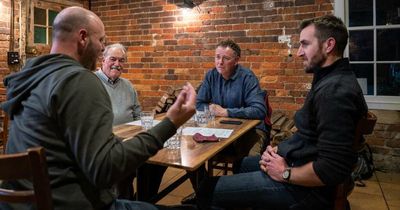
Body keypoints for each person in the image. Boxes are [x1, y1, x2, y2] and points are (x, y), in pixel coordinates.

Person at [0, 6, 196, 210]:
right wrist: (170, 123)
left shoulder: (33, 77)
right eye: (101, 41)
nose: (103, 48)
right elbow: (105, 169)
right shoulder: (78, 80)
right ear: (83, 37)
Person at [196, 15, 368, 210]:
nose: (298, 53)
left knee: (207, 188)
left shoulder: (334, 91)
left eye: (304, 44)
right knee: (239, 165)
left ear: (328, 45)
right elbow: (309, 136)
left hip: (307, 190)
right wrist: (281, 149)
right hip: (298, 162)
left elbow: (333, 169)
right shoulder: (330, 79)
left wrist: (284, 173)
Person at [180, 39, 270, 204]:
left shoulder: (247, 77)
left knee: (248, 164)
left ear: (236, 60)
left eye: (225, 58)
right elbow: (199, 103)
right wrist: (210, 109)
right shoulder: (211, 75)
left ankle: (239, 198)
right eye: (217, 57)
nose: (219, 62)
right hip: (220, 129)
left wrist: (226, 111)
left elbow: (259, 111)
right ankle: (204, 193)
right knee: (190, 153)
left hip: (250, 131)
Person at [95, 43, 141, 125]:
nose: (117, 64)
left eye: (121, 60)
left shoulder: (128, 86)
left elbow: (138, 116)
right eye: (113, 59)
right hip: (103, 137)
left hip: (128, 135)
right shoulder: (91, 81)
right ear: (103, 60)